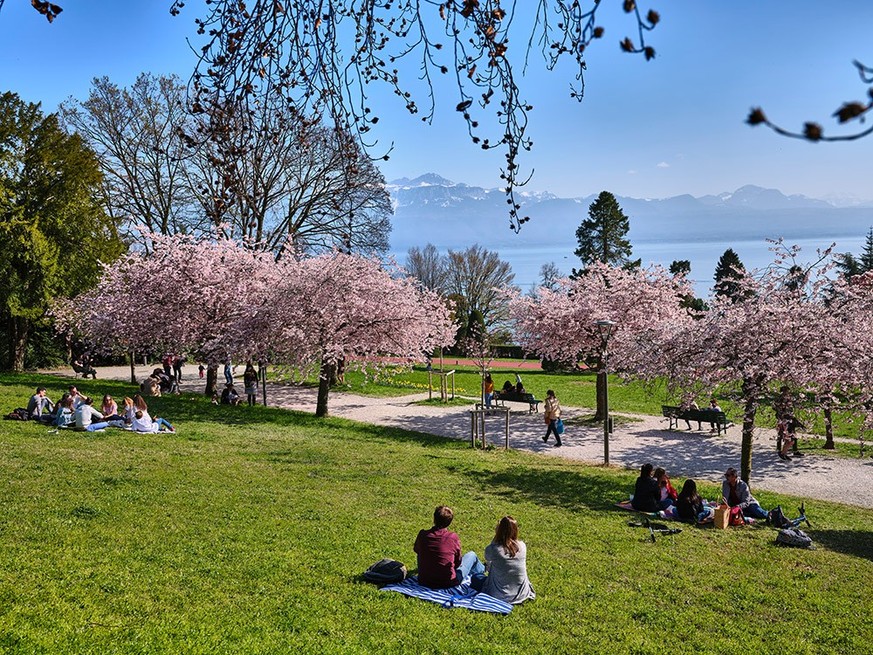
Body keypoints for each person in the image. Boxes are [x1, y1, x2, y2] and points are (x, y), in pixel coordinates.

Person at [414, 505, 484, 589]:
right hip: (447, 583)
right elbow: (458, 562)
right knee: (472, 555)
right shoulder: (452, 537)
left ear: (434, 519)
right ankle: (482, 573)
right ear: (449, 522)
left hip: (424, 580)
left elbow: (416, 550)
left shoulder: (423, 535)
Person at [470, 516, 536, 604]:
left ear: (499, 530)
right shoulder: (522, 546)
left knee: (475, 578)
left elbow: (488, 558)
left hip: (499, 595)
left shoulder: (493, 549)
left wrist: (496, 536)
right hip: (521, 594)